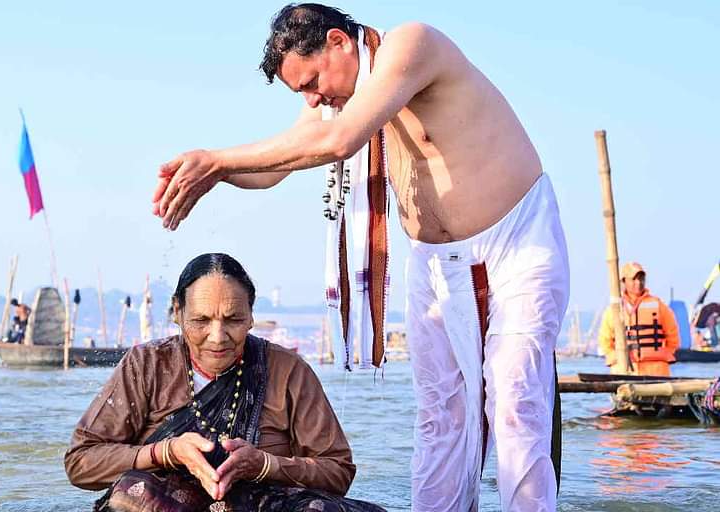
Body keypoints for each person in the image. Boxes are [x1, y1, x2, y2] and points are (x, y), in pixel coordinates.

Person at [151, 4, 568, 511]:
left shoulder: (411, 45)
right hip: (435, 260)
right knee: (440, 416)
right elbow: (278, 164)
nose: (313, 98)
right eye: (301, 92)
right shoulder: (340, 96)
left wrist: (219, 160)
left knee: (515, 400)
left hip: (515, 241)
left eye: (311, 82)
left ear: (338, 42)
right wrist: (210, 172)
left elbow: (339, 142)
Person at [64, 253, 385, 512]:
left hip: (261, 502)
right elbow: (81, 462)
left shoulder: (288, 370)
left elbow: (338, 471)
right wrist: (166, 452)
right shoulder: (145, 364)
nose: (217, 337)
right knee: (132, 495)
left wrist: (263, 465)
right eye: (201, 320)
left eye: (233, 320)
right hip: (168, 504)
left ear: (250, 315)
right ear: (177, 312)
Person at [598, 262, 680, 377]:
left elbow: (673, 336)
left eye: (641, 278)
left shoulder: (658, 305)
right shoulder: (614, 309)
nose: (638, 282)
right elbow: (604, 341)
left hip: (656, 371)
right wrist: (616, 357)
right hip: (623, 371)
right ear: (624, 281)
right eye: (634, 279)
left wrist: (665, 353)